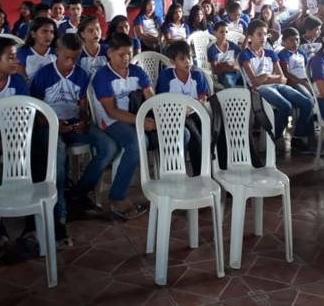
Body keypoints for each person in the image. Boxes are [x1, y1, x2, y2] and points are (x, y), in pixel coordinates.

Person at [0, 35, 61, 256]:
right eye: (10, 57)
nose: (15, 62)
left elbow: (27, 113)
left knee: (39, 159)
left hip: (18, 133)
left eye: (15, 57)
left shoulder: (17, 81)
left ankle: (33, 226)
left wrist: (16, 142)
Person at [30, 33, 118, 228]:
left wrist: (84, 121)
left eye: (75, 58)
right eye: (66, 57)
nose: (70, 62)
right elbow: (34, 110)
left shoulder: (81, 75)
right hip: (49, 125)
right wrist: (52, 123)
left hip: (74, 123)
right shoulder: (43, 75)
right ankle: (60, 208)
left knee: (109, 147)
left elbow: (82, 107)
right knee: (59, 154)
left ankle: (77, 192)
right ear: (57, 52)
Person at [92, 33, 154, 220]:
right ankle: (117, 196)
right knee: (136, 143)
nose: (126, 58)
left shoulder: (137, 71)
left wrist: (159, 117)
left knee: (178, 134)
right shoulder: (102, 76)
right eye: (121, 54)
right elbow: (111, 112)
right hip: (111, 121)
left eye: (129, 54)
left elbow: (152, 97)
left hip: (135, 116)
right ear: (110, 53)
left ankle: (170, 183)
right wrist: (141, 121)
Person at [239, 19, 314, 153]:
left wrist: (266, 77)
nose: (263, 38)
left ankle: (298, 136)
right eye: (259, 34)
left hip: (275, 85)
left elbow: (283, 79)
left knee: (307, 102)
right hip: (259, 90)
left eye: (265, 34)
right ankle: (274, 137)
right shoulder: (245, 55)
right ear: (250, 37)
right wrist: (270, 78)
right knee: (286, 106)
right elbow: (255, 81)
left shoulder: (270, 53)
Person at [157, 40, 210, 176]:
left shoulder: (198, 74)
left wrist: (191, 108)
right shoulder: (166, 76)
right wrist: (182, 111)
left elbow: (203, 98)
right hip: (173, 116)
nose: (188, 61)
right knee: (194, 136)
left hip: (196, 112)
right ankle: (200, 175)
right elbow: (161, 102)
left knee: (210, 129)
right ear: (173, 61)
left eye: (189, 57)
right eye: (182, 59)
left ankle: (215, 170)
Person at [277, 28, 312, 97]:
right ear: (284, 41)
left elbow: (307, 67)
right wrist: (301, 81)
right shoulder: (283, 54)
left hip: (306, 80)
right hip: (294, 83)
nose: (295, 42)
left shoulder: (302, 52)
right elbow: (286, 73)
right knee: (309, 96)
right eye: (291, 40)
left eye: (297, 39)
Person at [208, 21, 242, 89]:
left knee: (248, 81)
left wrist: (226, 65)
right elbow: (215, 69)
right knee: (229, 82)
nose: (224, 34)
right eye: (221, 32)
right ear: (215, 33)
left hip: (236, 72)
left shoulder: (233, 46)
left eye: (226, 32)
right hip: (224, 75)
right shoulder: (212, 49)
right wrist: (226, 65)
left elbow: (241, 61)